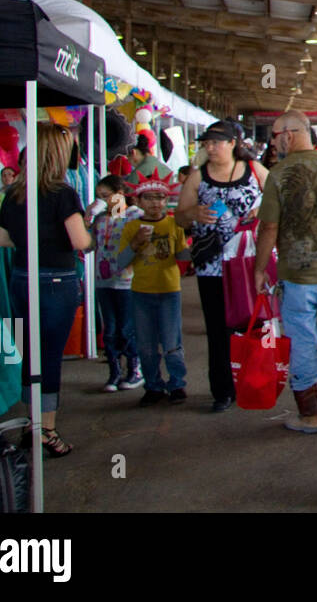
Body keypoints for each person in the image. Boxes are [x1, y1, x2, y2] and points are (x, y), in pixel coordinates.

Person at [0, 123, 92, 457]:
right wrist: (91, 235)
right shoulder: (63, 194)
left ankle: (30, 422)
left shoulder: (14, 193)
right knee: (50, 355)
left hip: (21, 277)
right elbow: (80, 241)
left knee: (29, 353)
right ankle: (45, 429)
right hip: (56, 281)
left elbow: (3, 239)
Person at [254, 111, 317, 433]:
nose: (273, 142)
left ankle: (311, 415)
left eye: (274, 136)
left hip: (297, 277)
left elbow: (269, 226)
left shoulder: (279, 173)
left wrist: (259, 268)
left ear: (288, 135)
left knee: (301, 344)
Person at [175, 120, 268, 412]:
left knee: (251, 324)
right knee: (217, 328)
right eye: (207, 143)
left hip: (247, 261)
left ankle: (254, 381)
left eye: (216, 142)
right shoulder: (197, 177)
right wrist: (194, 213)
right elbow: (179, 217)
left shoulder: (254, 170)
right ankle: (222, 389)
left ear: (232, 143)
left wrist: (261, 213)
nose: (210, 147)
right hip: (211, 266)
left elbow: (281, 201)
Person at [118, 168, 190, 407]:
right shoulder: (130, 227)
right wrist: (136, 243)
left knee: (172, 342)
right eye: (148, 198)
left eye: (160, 197)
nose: (155, 203)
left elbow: (182, 254)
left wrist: (199, 242)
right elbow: (120, 262)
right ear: (137, 201)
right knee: (146, 345)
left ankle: (177, 383)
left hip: (170, 291)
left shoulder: (173, 224)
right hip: (141, 292)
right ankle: (153, 385)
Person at [88, 175, 144, 393]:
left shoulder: (135, 216)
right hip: (104, 282)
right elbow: (88, 246)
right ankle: (114, 372)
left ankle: (134, 370)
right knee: (109, 329)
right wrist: (85, 220)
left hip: (127, 281)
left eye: (106, 196)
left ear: (120, 193)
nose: (103, 201)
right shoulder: (100, 219)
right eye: (99, 197)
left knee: (127, 327)